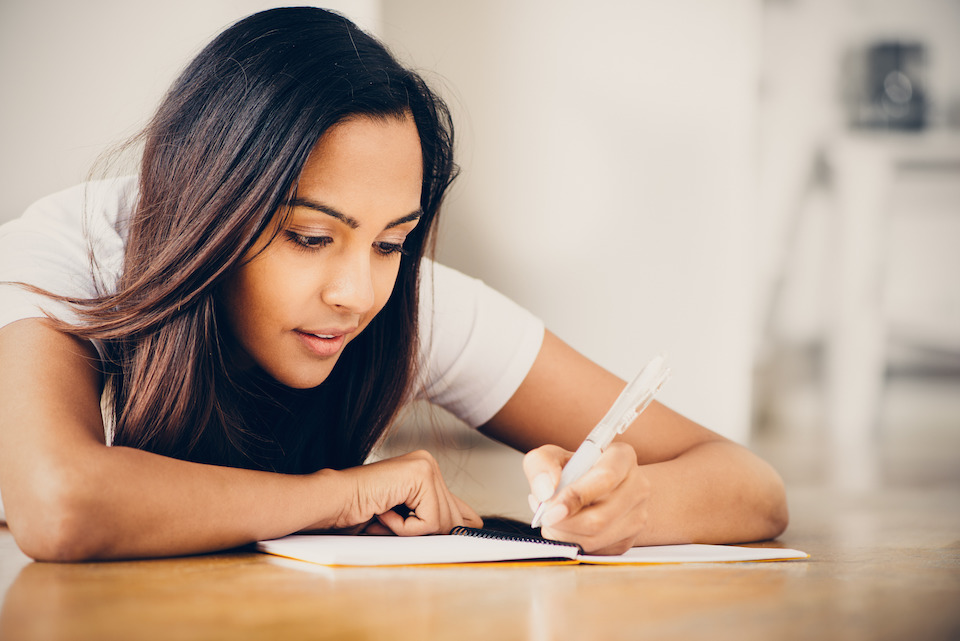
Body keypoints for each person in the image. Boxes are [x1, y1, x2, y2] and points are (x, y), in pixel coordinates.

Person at [0, 7, 787, 562]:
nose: (356, 291)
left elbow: (751, 487)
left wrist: (625, 508)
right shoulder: (78, 254)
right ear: (211, 204)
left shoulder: (399, 300)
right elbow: (58, 502)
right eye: (311, 236)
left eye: (393, 242)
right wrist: (341, 495)